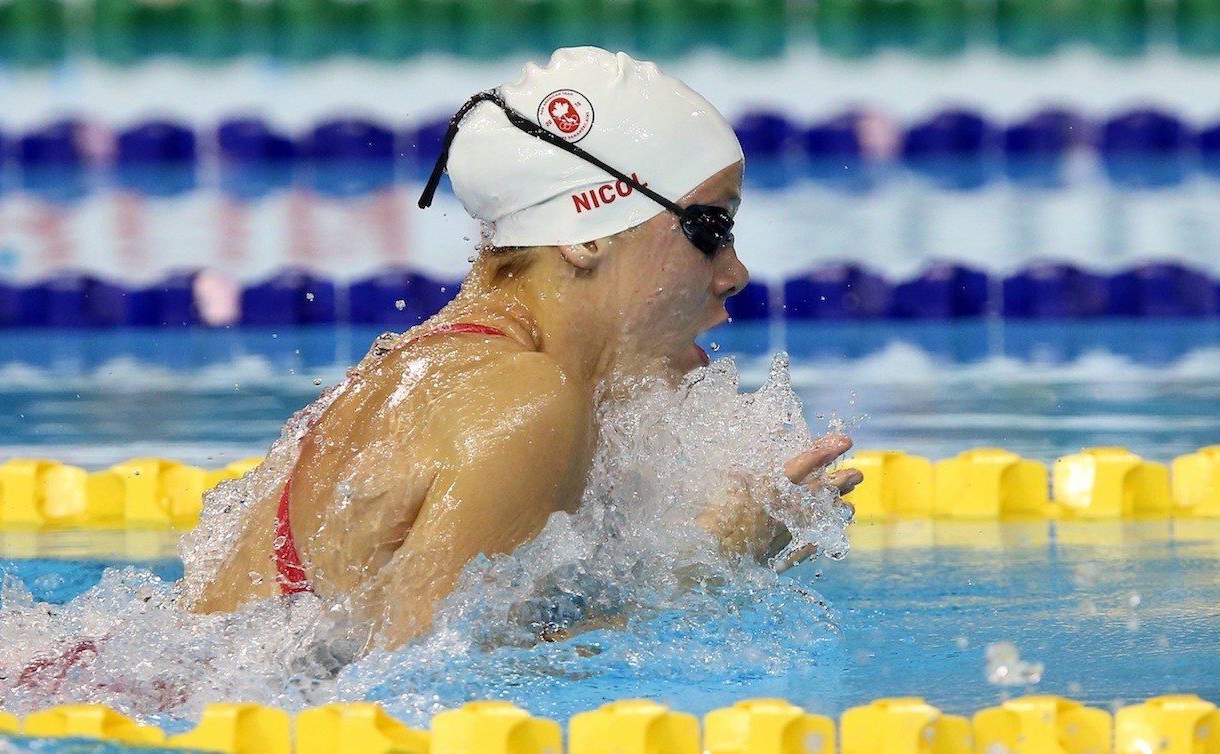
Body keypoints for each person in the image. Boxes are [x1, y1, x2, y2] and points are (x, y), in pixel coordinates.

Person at [188, 47, 863, 648]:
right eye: (708, 226)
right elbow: (422, 685)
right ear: (589, 234)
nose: (734, 273)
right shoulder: (525, 400)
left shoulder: (442, 367)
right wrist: (712, 565)